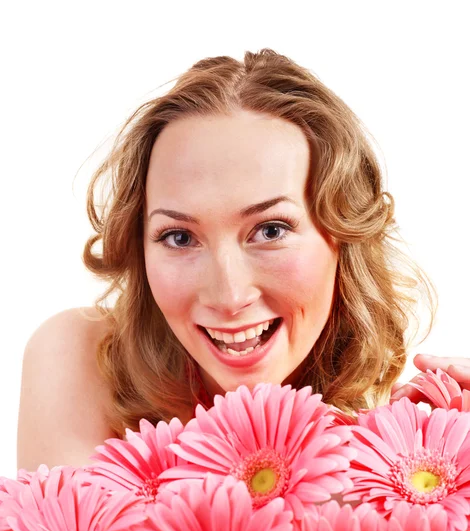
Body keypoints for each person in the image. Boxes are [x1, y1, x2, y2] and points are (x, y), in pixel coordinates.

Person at [17, 48, 470, 473]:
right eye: (179, 237)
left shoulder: (399, 452)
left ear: (343, 236)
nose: (230, 296)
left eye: (271, 231)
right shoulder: (80, 355)